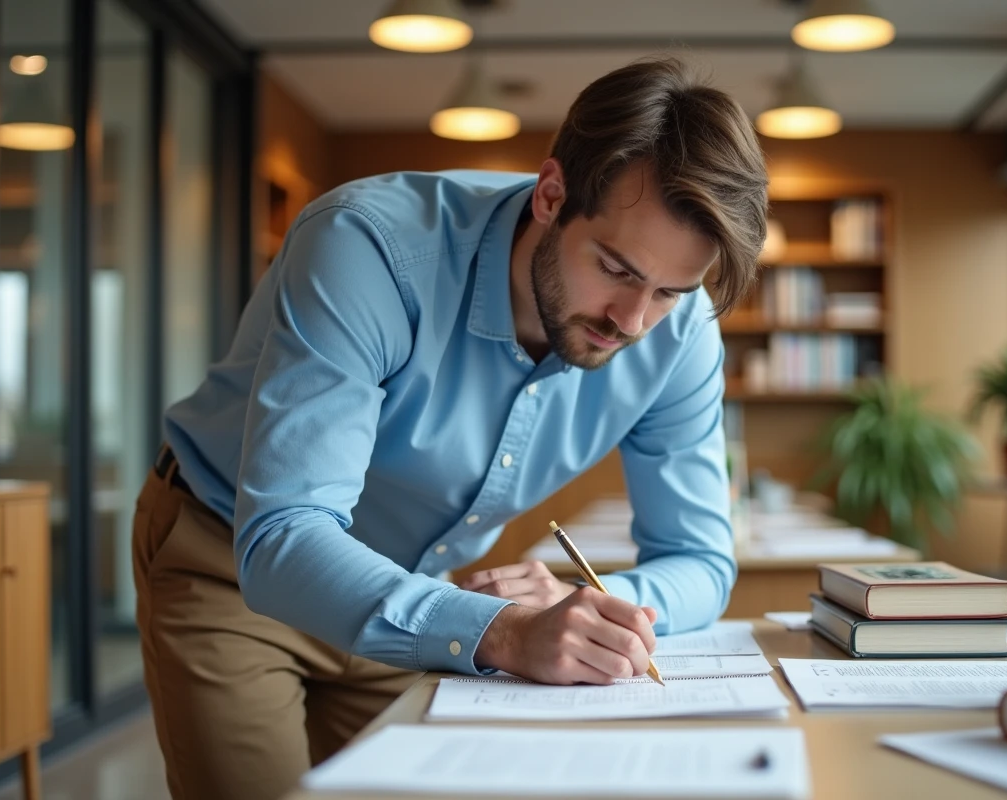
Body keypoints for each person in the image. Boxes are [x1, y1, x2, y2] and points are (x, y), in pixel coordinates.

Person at [132, 55, 768, 800]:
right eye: (617, 269)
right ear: (552, 193)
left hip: (418, 595)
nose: (632, 322)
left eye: (669, 291)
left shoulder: (680, 332)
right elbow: (285, 536)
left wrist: (591, 612)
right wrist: (500, 631)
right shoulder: (367, 248)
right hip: (232, 566)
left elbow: (700, 561)